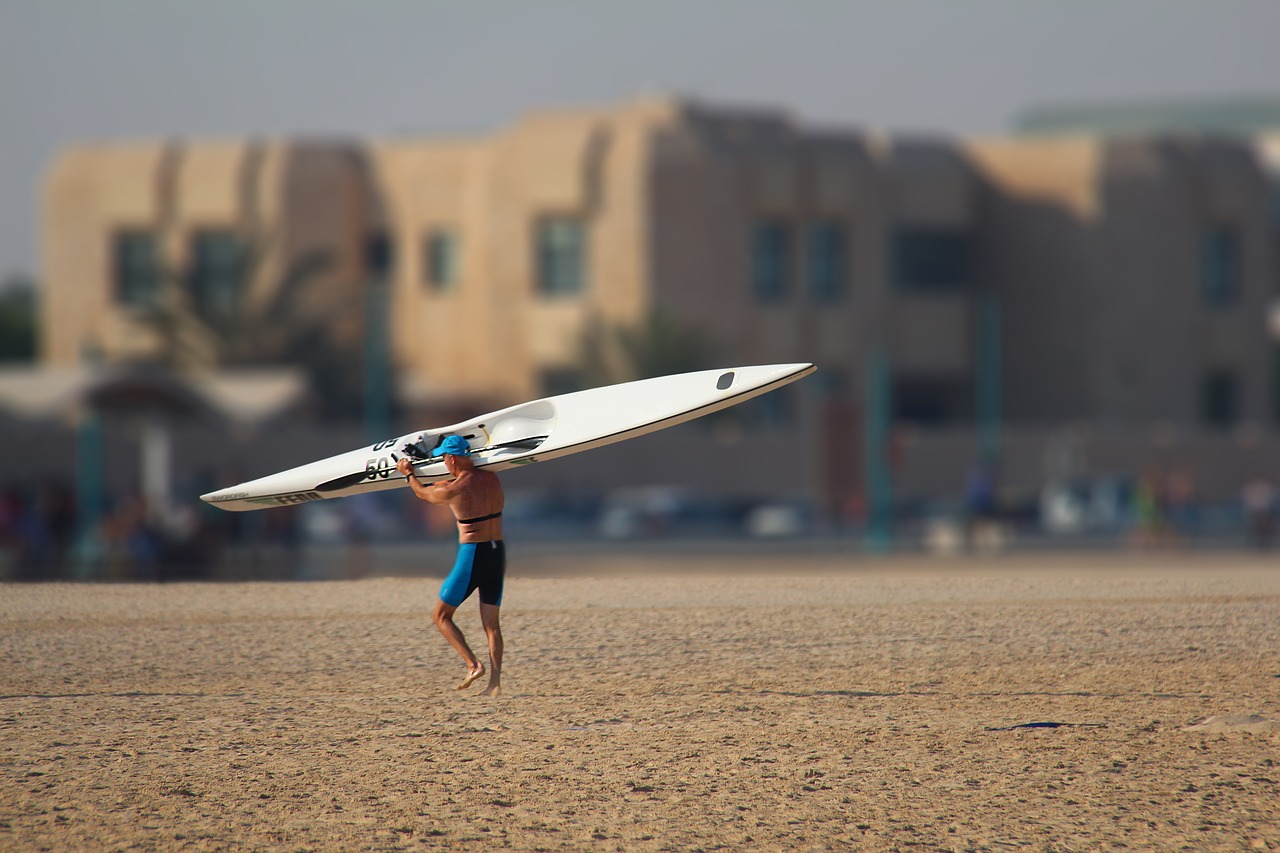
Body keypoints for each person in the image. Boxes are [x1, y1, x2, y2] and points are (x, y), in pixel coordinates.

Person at [396, 435, 505, 696]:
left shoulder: (452, 489)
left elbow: (422, 494)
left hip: (473, 554)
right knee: (491, 624)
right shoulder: (492, 478)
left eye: (445, 457)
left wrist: (408, 474)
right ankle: (495, 683)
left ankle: (473, 664)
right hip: (497, 552)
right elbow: (466, 486)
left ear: (452, 458)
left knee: (441, 616)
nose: (444, 462)